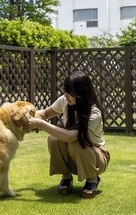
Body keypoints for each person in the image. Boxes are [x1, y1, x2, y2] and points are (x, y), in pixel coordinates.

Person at [28, 71, 110, 199]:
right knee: (54, 138)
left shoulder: (94, 114)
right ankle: (66, 177)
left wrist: (41, 124)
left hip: (97, 158)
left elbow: (69, 136)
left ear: (81, 93)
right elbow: (45, 113)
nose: (66, 95)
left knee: (76, 142)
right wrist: (27, 116)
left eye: (70, 93)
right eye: (66, 91)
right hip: (75, 157)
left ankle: (92, 179)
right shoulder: (64, 101)